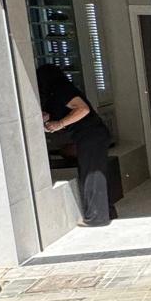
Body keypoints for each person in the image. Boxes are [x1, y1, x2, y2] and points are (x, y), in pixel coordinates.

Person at [35, 64, 114, 227]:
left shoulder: (62, 89)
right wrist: (48, 118)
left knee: (91, 174)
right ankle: (107, 211)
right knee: (96, 173)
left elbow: (83, 109)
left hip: (91, 135)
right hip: (91, 135)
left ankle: (96, 218)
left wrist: (59, 124)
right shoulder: (55, 93)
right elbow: (61, 111)